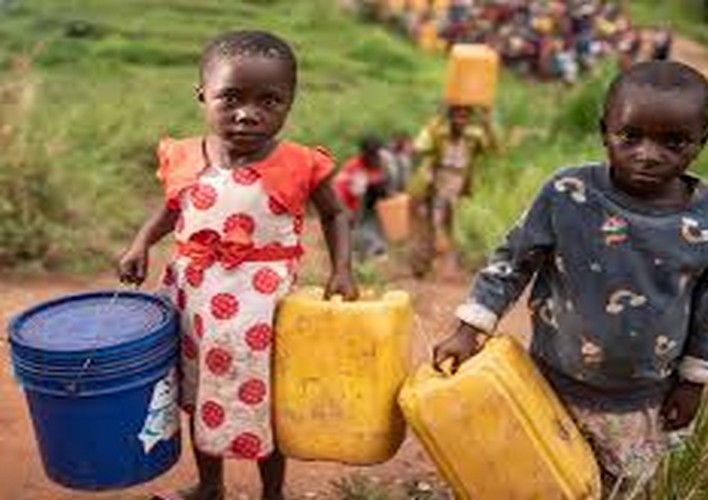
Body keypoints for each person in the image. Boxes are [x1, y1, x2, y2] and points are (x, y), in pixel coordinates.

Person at [434, 61, 708, 497]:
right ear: (604, 130)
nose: (648, 154)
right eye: (630, 136)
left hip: (642, 398)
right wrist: (470, 329)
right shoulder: (568, 193)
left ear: (701, 142)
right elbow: (513, 260)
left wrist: (694, 383)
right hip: (549, 380)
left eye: (674, 142)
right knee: (537, 475)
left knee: (616, 487)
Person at [118, 30, 358, 500]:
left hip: (261, 310)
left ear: (289, 103)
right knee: (198, 390)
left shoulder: (299, 163)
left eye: (269, 101)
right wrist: (141, 243)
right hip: (193, 301)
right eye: (231, 98)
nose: (249, 113)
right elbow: (173, 208)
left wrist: (342, 268)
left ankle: (274, 493)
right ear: (202, 95)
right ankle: (211, 485)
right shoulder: (187, 156)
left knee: (264, 398)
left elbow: (335, 213)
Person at [410, 104, 498, 277]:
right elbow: (419, 147)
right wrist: (436, 120)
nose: (461, 120)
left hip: (458, 184)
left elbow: (493, 149)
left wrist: (487, 123)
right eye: (457, 116)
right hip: (436, 182)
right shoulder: (438, 133)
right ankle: (424, 263)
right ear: (450, 118)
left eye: (465, 117)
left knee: (450, 225)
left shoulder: (474, 136)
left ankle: (446, 264)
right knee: (432, 223)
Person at [334, 136, 390, 259]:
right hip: (352, 208)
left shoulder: (382, 163)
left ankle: (374, 245)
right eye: (373, 156)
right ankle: (362, 247)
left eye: (377, 156)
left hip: (371, 206)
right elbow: (340, 193)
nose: (376, 159)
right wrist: (346, 212)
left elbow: (383, 186)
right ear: (365, 155)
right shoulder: (355, 169)